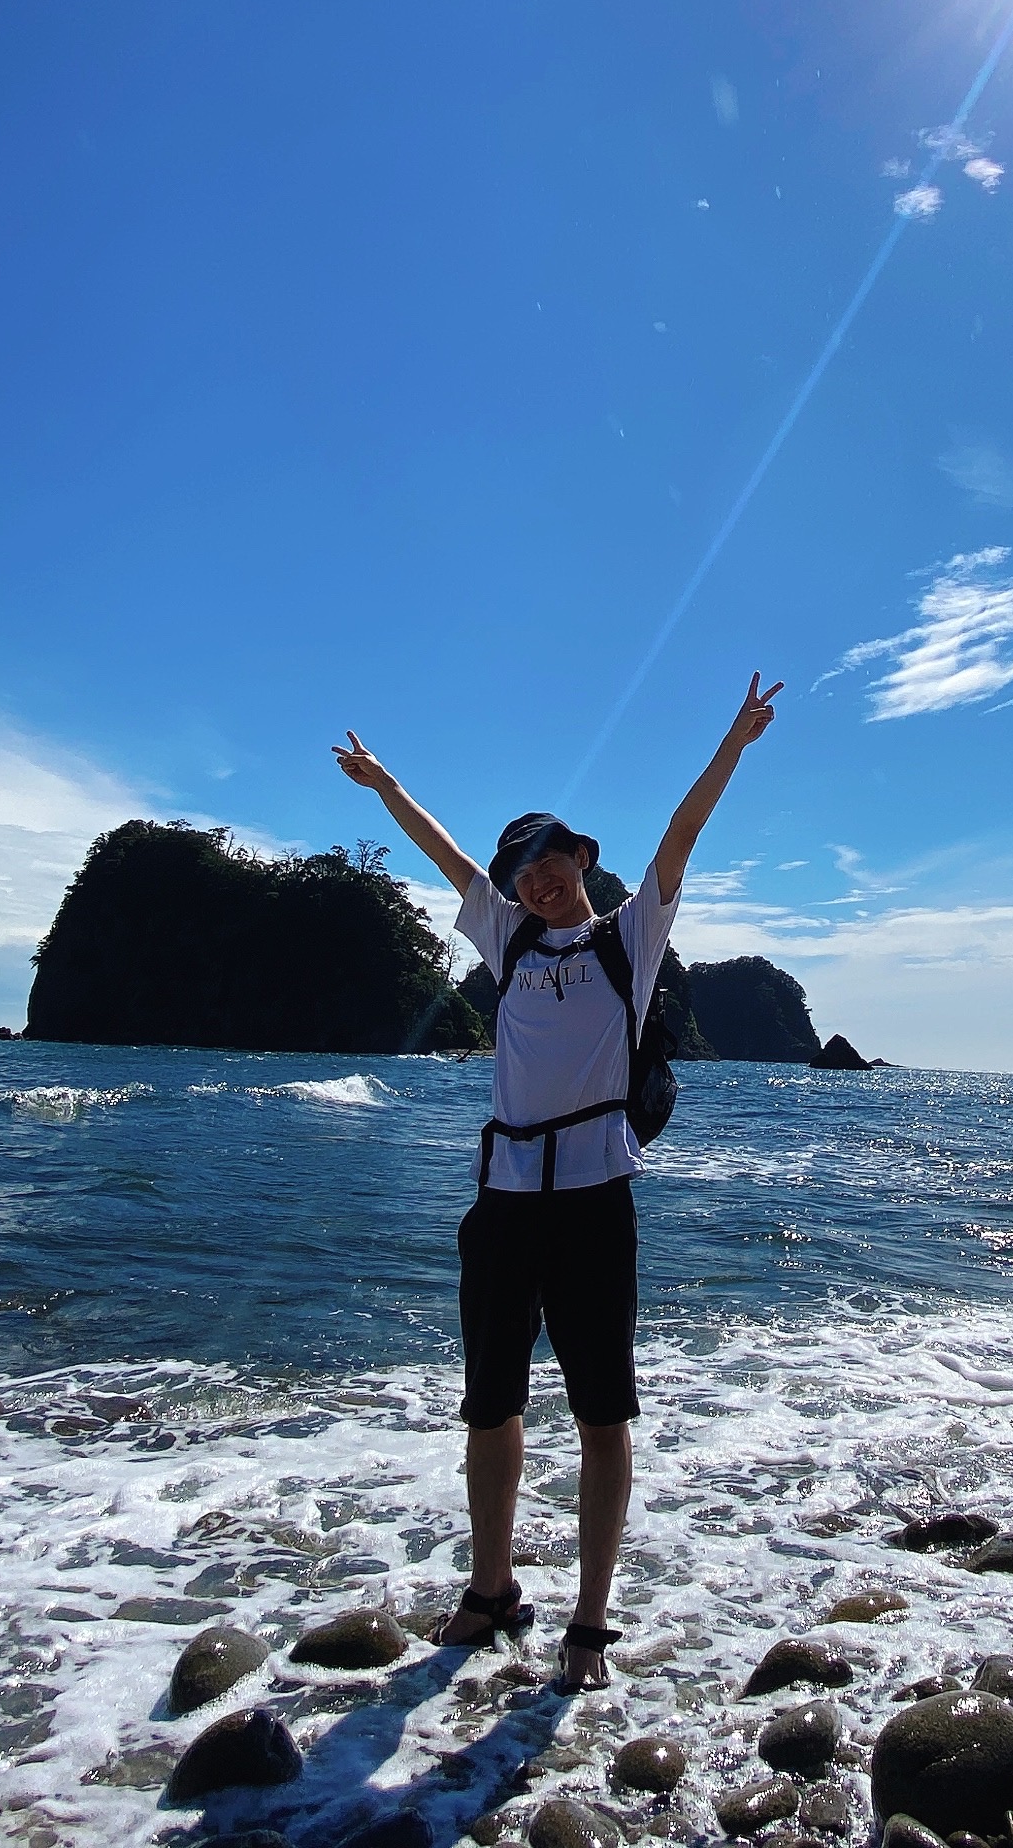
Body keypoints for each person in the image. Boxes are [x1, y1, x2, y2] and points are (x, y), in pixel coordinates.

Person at [333, 673, 783, 1691]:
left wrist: (735, 742)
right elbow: (444, 856)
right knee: (488, 1403)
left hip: (592, 1203)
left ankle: (588, 1621)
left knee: (600, 1411)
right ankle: (490, 1591)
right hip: (501, 1202)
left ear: (582, 859)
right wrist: (384, 785)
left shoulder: (628, 937)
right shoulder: (510, 939)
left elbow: (681, 830)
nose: (535, 878)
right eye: (521, 867)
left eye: (549, 858)